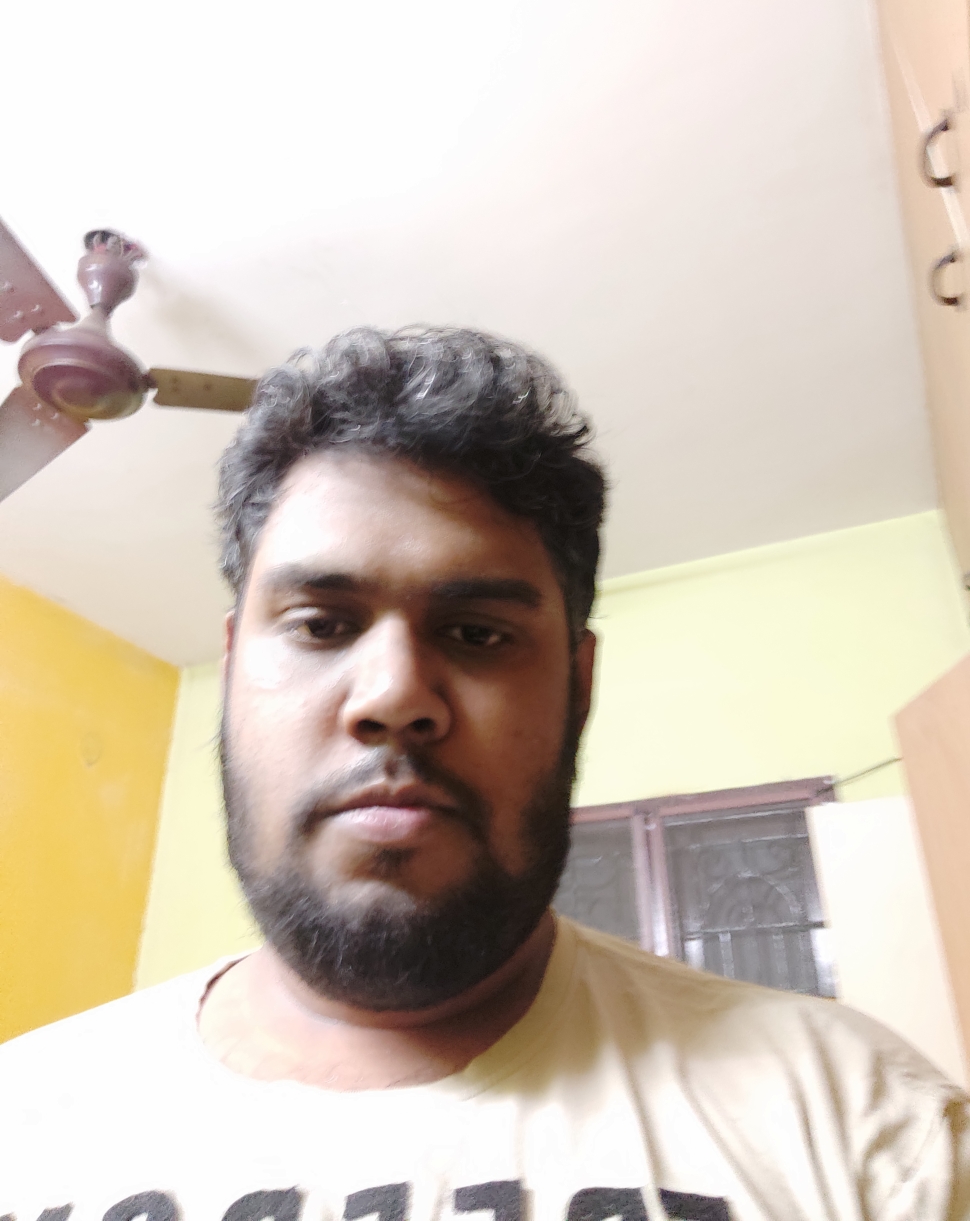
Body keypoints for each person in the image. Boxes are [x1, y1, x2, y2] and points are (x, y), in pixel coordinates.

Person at [0, 327, 966, 1221]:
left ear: (578, 686)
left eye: (477, 633)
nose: (393, 696)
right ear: (232, 667)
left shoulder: (870, 1129)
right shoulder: (20, 1121)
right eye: (322, 625)